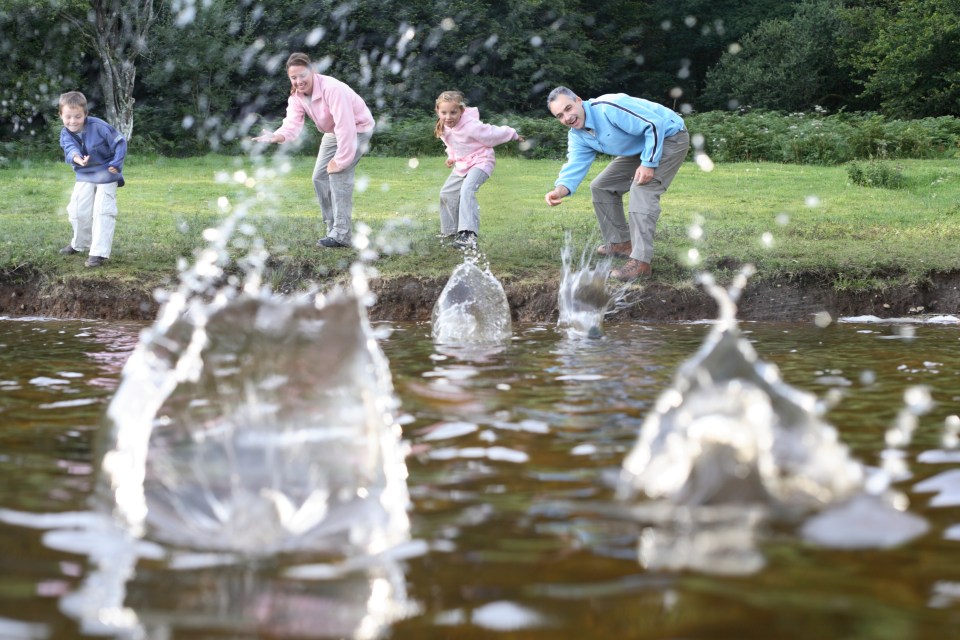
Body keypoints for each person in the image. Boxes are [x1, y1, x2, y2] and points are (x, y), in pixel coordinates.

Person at [543, 86, 689, 281]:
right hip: (642, 147)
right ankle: (621, 242)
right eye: (560, 116)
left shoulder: (608, 107)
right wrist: (558, 191)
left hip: (671, 137)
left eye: (568, 108)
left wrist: (648, 163)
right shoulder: (578, 134)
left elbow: (654, 124)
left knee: (642, 189)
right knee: (601, 186)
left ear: (578, 100)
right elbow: (575, 164)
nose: (567, 117)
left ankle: (641, 262)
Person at [252, 52, 374, 249]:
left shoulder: (332, 89)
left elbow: (346, 126)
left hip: (357, 128)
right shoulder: (297, 97)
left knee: (338, 175)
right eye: (293, 77)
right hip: (334, 132)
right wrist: (278, 135)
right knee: (318, 176)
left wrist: (341, 160)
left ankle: (342, 234)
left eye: (302, 75)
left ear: (312, 72)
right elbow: (292, 123)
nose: (298, 81)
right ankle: (332, 226)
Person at [434, 90, 522, 250]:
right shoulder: (444, 127)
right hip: (462, 164)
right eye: (444, 112)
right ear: (437, 111)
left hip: (482, 161)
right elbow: (451, 144)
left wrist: (513, 134)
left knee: (467, 190)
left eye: (453, 112)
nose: (448, 117)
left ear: (461, 111)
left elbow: (492, 133)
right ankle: (450, 233)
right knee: (446, 193)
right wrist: (452, 156)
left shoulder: (471, 126)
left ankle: (468, 235)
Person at [57, 91, 126, 268]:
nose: (73, 121)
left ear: (85, 114)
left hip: (107, 172)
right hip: (85, 174)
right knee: (77, 210)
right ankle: (79, 244)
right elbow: (70, 148)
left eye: (78, 116)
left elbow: (120, 142)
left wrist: (116, 164)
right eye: (68, 117)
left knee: (103, 210)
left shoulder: (99, 126)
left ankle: (98, 253)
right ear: (61, 115)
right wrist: (78, 158)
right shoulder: (65, 133)